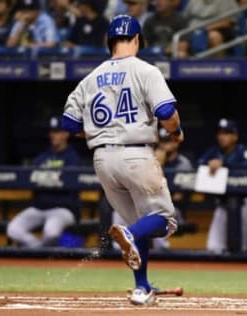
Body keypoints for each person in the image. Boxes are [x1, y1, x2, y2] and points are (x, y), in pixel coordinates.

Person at [62, 15, 183, 305]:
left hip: (103, 159)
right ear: (138, 39)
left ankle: (142, 289)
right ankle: (128, 234)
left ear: (109, 42)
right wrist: (176, 132)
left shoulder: (90, 78)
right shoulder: (146, 70)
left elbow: (68, 124)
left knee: (139, 223)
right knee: (165, 221)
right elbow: (166, 113)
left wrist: (93, 131)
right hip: (135, 154)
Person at [6, 116, 81, 248]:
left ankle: (39, 253)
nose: (53, 135)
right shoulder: (42, 157)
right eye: (52, 132)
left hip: (62, 209)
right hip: (39, 208)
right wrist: (53, 179)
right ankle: (38, 249)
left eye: (57, 132)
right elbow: (31, 179)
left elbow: (69, 185)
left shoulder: (72, 157)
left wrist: (46, 179)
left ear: (66, 134)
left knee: (51, 233)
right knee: (13, 229)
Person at [197, 119, 247, 254]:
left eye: (227, 133)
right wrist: (209, 163)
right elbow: (200, 162)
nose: (222, 136)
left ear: (235, 136)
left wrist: (223, 165)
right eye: (220, 133)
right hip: (223, 203)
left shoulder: (244, 151)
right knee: (213, 247)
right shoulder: (213, 151)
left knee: (240, 247)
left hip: (245, 202)